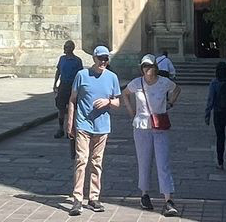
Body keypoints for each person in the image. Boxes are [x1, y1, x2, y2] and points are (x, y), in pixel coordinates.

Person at [66, 44, 120, 217]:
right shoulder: (82, 75)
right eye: (100, 58)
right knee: (82, 160)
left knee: (97, 162)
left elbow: (117, 102)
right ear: (94, 58)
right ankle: (77, 199)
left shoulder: (112, 77)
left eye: (106, 59)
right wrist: (70, 122)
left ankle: (94, 197)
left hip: (102, 126)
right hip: (83, 124)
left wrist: (108, 102)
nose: (103, 61)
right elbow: (73, 99)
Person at [123, 54, 180, 216]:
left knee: (163, 162)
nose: (148, 69)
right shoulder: (137, 83)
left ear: (156, 67)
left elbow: (177, 88)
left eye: (151, 66)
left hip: (159, 126)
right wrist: (130, 110)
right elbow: (125, 93)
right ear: (141, 68)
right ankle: (144, 195)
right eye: (145, 66)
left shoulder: (163, 82)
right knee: (144, 161)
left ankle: (168, 199)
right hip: (141, 127)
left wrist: (170, 103)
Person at [53, 41, 84, 140]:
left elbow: (80, 75)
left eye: (67, 47)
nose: (65, 48)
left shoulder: (77, 61)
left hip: (73, 86)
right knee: (61, 108)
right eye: (64, 46)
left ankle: (70, 129)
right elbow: (58, 71)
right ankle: (60, 129)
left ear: (72, 48)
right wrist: (55, 84)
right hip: (63, 86)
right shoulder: (62, 59)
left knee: (73, 109)